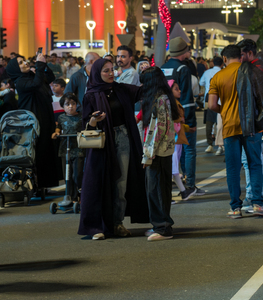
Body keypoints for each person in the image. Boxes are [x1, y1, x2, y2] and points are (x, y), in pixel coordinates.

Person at [78, 58, 149, 240]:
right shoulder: (91, 95)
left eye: (112, 70)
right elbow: (86, 124)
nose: (111, 73)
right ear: (97, 74)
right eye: (106, 71)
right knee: (99, 183)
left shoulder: (121, 89)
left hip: (123, 138)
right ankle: (98, 227)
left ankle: (117, 224)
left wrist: (148, 72)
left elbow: (144, 91)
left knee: (121, 183)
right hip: (101, 143)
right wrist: (94, 120)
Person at [208, 45, 263, 218]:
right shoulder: (252, 73)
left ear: (224, 59)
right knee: (254, 163)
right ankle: (257, 203)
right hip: (252, 127)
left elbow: (211, 105)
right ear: (240, 57)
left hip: (229, 127)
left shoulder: (218, 76)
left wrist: (225, 110)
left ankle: (235, 208)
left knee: (233, 168)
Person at [5, 53, 59, 190]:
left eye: (25, 61)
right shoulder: (20, 81)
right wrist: (39, 66)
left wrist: (43, 65)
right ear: (15, 69)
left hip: (45, 118)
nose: (26, 63)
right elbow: (36, 84)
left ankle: (47, 183)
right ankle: (37, 185)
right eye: (21, 63)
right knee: (39, 150)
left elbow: (50, 78)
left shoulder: (31, 75)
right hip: (34, 121)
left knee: (47, 149)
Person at [139, 67, 178, 241]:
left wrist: (148, 154)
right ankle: (162, 224)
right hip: (163, 150)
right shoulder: (164, 97)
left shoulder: (159, 100)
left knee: (156, 190)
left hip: (157, 152)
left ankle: (163, 227)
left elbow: (157, 130)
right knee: (160, 189)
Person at [161, 37, 203, 195]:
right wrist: (190, 121)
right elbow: (186, 97)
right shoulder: (183, 69)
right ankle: (190, 184)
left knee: (170, 151)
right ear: (183, 51)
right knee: (189, 149)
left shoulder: (163, 68)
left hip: (165, 115)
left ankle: (177, 183)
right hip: (180, 116)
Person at [236, 39, 263, 213]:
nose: (239, 58)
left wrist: (260, 122)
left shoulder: (257, 70)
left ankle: (259, 198)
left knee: (254, 162)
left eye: (242, 54)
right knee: (249, 162)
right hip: (252, 124)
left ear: (250, 53)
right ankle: (254, 196)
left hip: (254, 124)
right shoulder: (251, 69)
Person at [52, 92, 85, 202]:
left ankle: (79, 195)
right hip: (65, 149)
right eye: (67, 104)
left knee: (77, 174)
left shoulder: (81, 117)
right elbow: (58, 128)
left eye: (73, 103)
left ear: (76, 104)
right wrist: (56, 133)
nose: (70, 106)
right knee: (67, 175)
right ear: (63, 106)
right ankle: (71, 197)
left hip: (78, 148)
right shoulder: (61, 117)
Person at [200, 56, 222, 153]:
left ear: (212, 63)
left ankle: (210, 144)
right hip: (221, 99)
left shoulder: (207, 72)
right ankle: (220, 145)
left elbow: (201, 83)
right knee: (219, 123)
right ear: (223, 62)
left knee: (209, 122)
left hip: (208, 98)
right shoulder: (223, 72)